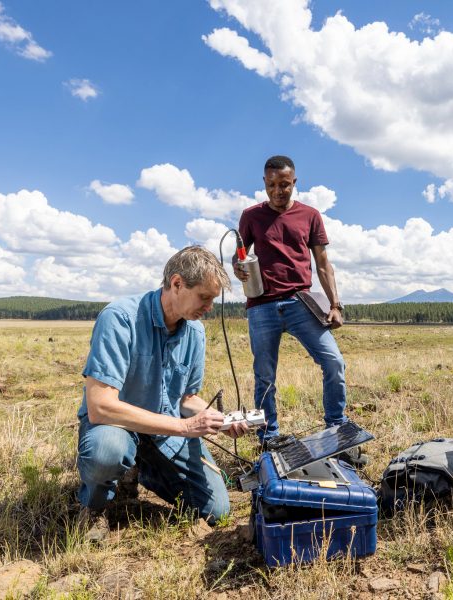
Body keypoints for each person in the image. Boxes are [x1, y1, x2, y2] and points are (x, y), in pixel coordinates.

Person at [76, 245, 247, 541]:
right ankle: (95, 505)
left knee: (216, 511)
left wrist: (217, 419)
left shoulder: (195, 332)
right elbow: (100, 407)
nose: (208, 307)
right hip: (117, 427)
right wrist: (184, 427)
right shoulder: (120, 319)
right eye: (204, 297)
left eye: (212, 299)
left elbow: (185, 399)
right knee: (107, 451)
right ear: (177, 283)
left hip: (165, 434)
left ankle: (139, 470)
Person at [234, 155, 361, 461]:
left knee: (333, 362)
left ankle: (336, 427)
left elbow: (322, 263)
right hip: (261, 307)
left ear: (294, 182)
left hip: (299, 302)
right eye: (273, 185)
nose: (279, 191)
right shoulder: (250, 216)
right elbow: (241, 255)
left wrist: (335, 305)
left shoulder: (310, 215)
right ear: (264, 183)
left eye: (285, 185)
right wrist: (237, 267)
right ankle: (269, 437)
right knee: (264, 375)